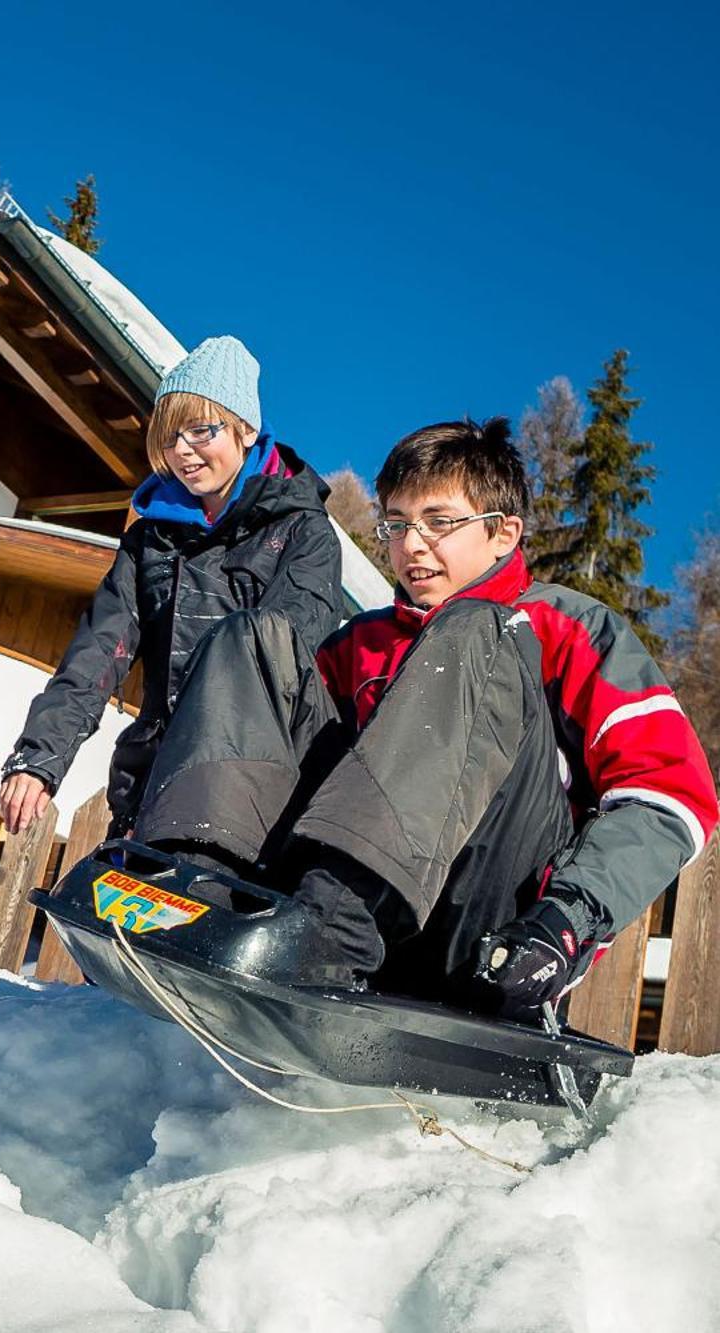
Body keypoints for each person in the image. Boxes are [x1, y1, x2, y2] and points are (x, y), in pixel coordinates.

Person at [128, 417, 717, 1012]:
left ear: (504, 534)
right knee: (255, 638)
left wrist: (564, 922)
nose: (411, 545)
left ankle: (331, 929)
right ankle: (193, 892)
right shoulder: (358, 645)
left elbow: (669, 797)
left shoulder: (566, 629)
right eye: (397, 524)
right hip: (310, 910)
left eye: (439, 522)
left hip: (483, 931)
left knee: (475, 626)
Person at [0, 335, 344, 836]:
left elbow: (281, 666)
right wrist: (39, 757)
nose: (183, 451)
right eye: (170, 437)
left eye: (201, 431)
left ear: (246, 429)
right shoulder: (150, 542)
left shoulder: (302, 533)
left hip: (254, 796)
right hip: (152, 781)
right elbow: (97, 652)